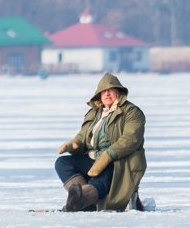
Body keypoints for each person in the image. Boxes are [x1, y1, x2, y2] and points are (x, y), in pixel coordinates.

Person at [54, 73, 147, 212]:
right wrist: (74, 144)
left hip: (117, 161)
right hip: (92, 158)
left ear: (119, 92)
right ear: (99, 94)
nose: (107, 94)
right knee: (63, 163)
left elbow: (130, 139)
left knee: (100, 178)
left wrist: (107, 156)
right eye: (103, 91)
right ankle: (82, 200)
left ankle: (82, 199)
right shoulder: (95, 112)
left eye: (111, 90)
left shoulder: (131, 112)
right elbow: (83, 135)